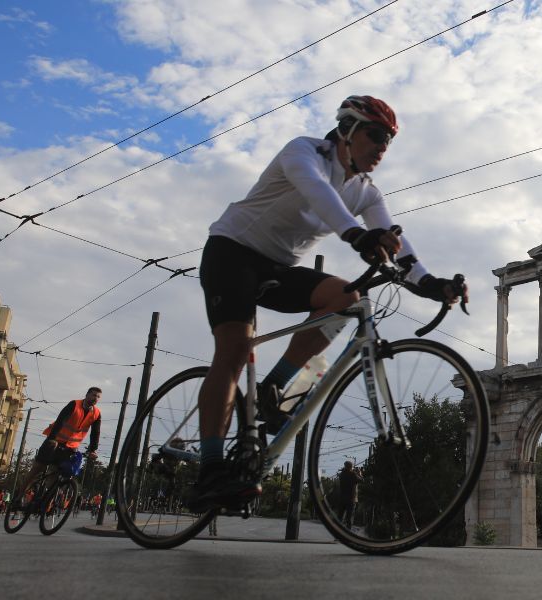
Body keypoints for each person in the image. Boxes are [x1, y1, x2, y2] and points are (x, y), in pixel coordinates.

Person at [190, 95, 468, 511]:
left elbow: (397, 241)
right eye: (375, 136)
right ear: (347, 130)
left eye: (389, 141)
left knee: (346, 296)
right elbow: (319, 192)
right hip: (232, 252)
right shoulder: (304, 152)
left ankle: (273, 387)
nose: (382, 147)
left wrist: (430, 283)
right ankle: (210, 469)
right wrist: (356, 236)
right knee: (232, 352)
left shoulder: (366, 193)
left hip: (278, 266)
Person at [20, 387, 101, 498]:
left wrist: (93, 450)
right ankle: (19, 496)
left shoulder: (96, 413)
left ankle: (45, 501)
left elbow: (95, 432)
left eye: (98, 397)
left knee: (57, 473)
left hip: (70, 447)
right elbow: (61, 420)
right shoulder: (74, 404)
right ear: (87, 395)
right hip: (54, 441)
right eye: (93, 395)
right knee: (37, 468)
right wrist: (53, 438)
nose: (95, 398)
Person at [338, 460, 363, 526]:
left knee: (340, 516)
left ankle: (338, 528)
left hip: (342, 498)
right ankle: (347, 531)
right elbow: (361, 480)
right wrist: (359, 473)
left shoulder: (342, 475)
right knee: (349, 517)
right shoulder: (352, 474)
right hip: (351, 499)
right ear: (350, 467)